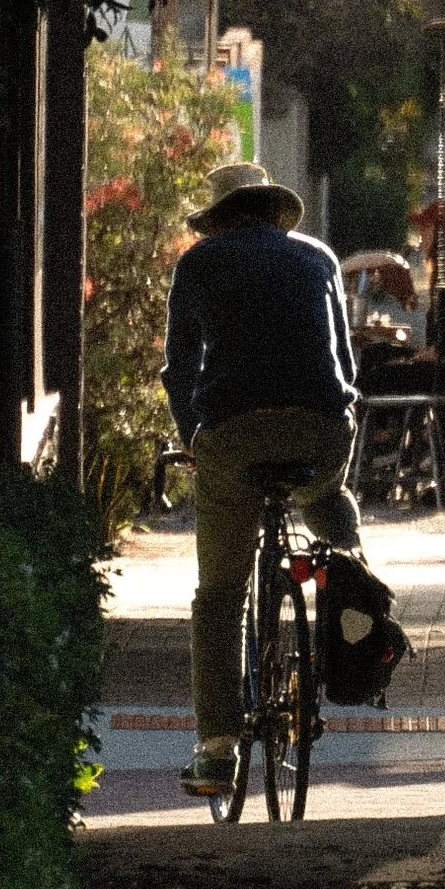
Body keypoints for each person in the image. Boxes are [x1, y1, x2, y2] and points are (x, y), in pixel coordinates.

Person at [161, 162, 363, 798]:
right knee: (326, 494)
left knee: (219, 593)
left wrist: (195, 437)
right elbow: (346, 367)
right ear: (276, 211)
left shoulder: (198, 264)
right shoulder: (321, 258)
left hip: (233, 435)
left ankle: (218, 748)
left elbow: (179, 370)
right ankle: (348, 556)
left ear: (219, 218)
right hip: (321, 432)